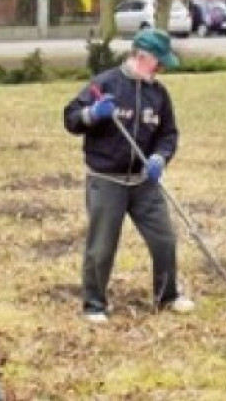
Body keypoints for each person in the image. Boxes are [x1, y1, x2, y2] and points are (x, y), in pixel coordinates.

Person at [64, 28, 195, 324]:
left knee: (164, 239)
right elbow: (71, 118)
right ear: (141, 56)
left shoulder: (158, 94)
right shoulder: (105, 83)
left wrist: (160, 157)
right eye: (158, 62)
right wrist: (93, 114)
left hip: (143, 181)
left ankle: (168, 295)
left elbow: (168, 134)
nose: (161, 68)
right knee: (102, 246)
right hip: (106, 180)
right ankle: (94, 304)